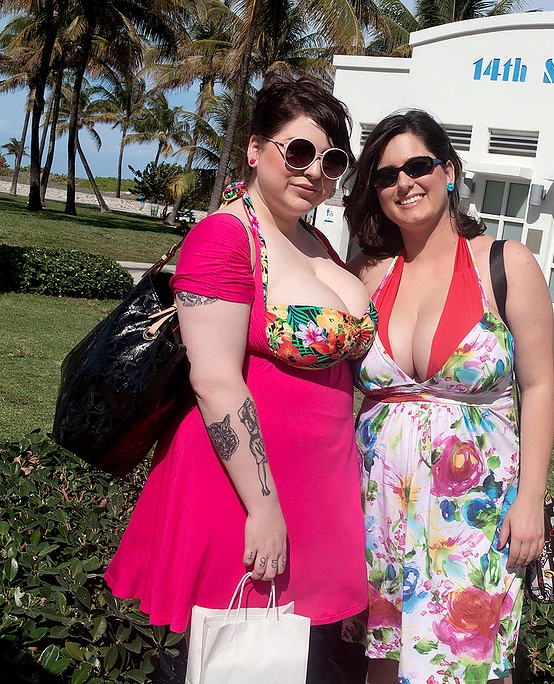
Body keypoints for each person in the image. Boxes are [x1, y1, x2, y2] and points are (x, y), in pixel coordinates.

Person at [105, 76, 376, 683]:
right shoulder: (224, 237)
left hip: (319, 486)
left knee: (291, 663)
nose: (314, 172)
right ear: (256, 149)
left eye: (332, 161)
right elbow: (215, 379)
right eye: (298, 151)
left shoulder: (317, 242)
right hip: (252, 488)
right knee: (232, 662)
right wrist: (264, 507)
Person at [345, 110, 554, 683]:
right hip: (375, 505)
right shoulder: (364, 272)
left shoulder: (505, 265)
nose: (404, 184)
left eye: (418, 166)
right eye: (386, 177)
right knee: (380, 663)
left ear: (449, 171)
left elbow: (538, 388)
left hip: (475, 509)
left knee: (465, 658)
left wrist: (531, 498)